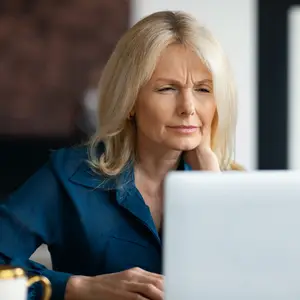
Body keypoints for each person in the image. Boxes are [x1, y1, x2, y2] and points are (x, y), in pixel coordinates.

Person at [0, 10, 242, 300]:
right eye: (167, 88)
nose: (188, 107)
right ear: (130, 100)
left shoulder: (234, 185)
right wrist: (79, 288)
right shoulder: (69, 176)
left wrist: (214, 192)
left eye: (203, 89)